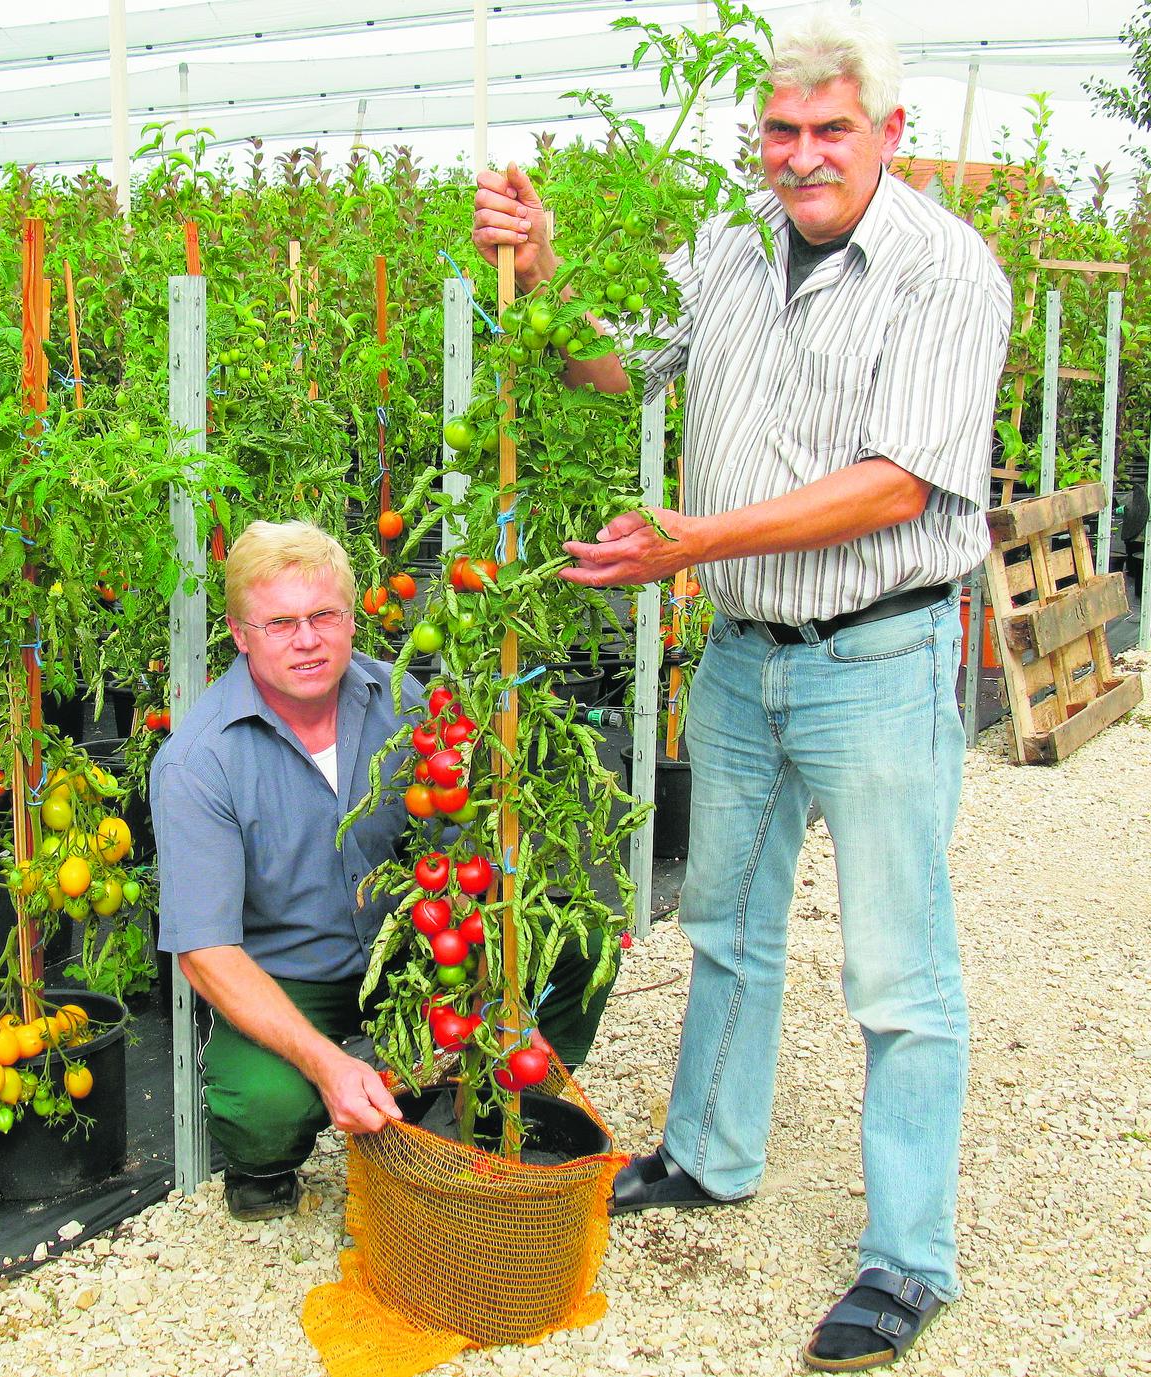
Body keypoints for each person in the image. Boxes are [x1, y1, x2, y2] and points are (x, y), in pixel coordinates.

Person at [472, 10, 1008, 1373]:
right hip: (740, 658)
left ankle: (907, 1258)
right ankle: (709, 1154)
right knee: (724, 922)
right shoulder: (724, 245)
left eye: (833, 129)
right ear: (756, 137)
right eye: (782, 130)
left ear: (890, 134)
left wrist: (690, 541)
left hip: (878, 657)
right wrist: (539, 267)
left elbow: (899, 479)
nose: (805, 154)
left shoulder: (950, 271)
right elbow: (612, 360)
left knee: (897, 971)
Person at [151, 519, 613, 1221]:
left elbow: (460, 846)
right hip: (292, 974)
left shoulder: (403, 704)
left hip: (407, 947)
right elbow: (206, 952)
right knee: (265, 1105)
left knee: (577, 940)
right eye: (279, 622)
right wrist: (326, 1062)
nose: (305, 639)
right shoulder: (199, 761)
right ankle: (264, 1165)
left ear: (350, 615)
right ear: (240, 634)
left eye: (322, 616)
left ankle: (511, 1098)